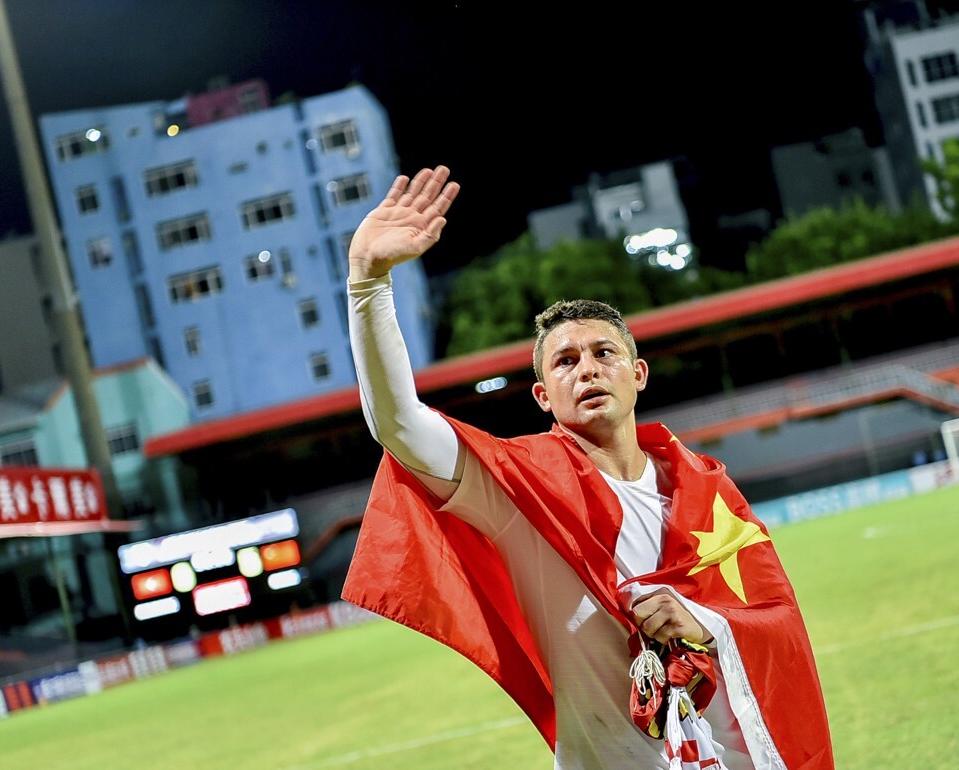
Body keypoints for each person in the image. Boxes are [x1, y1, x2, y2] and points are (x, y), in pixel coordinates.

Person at [341, 166, 833, 769]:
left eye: (605, 353)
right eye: (566, 361)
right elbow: (399, 425)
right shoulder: (520, 488)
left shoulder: (708, 488)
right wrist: (368, 282)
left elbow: (775, 619)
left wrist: (702, 621)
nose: (588, 369)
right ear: (544, 395)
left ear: (638, 374)